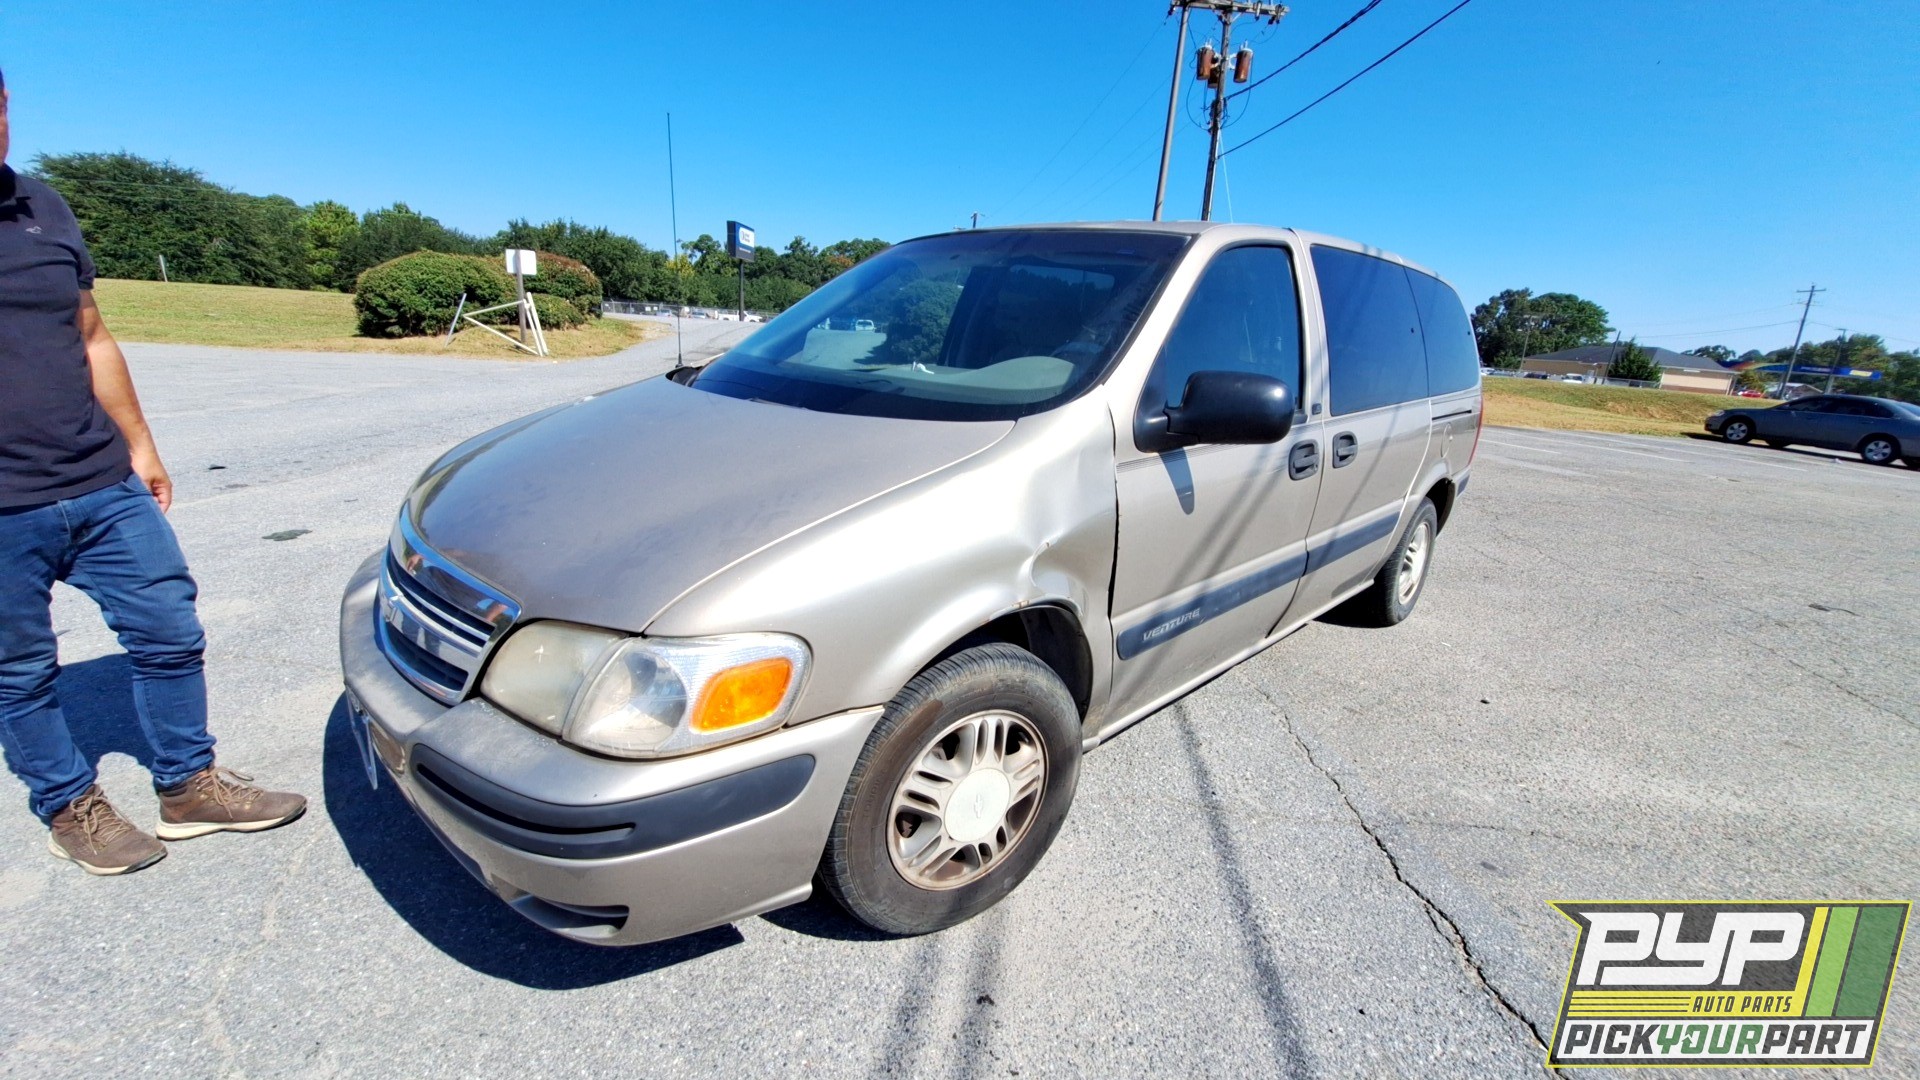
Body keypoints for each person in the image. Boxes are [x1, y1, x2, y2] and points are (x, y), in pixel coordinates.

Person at [0, 66, 305, 875]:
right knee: (19, 670)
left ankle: (189, 785)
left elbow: (92, 334)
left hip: (100, 479)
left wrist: (140, 444)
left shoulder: (42, 206)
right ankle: (70, 802)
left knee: (169, 630)